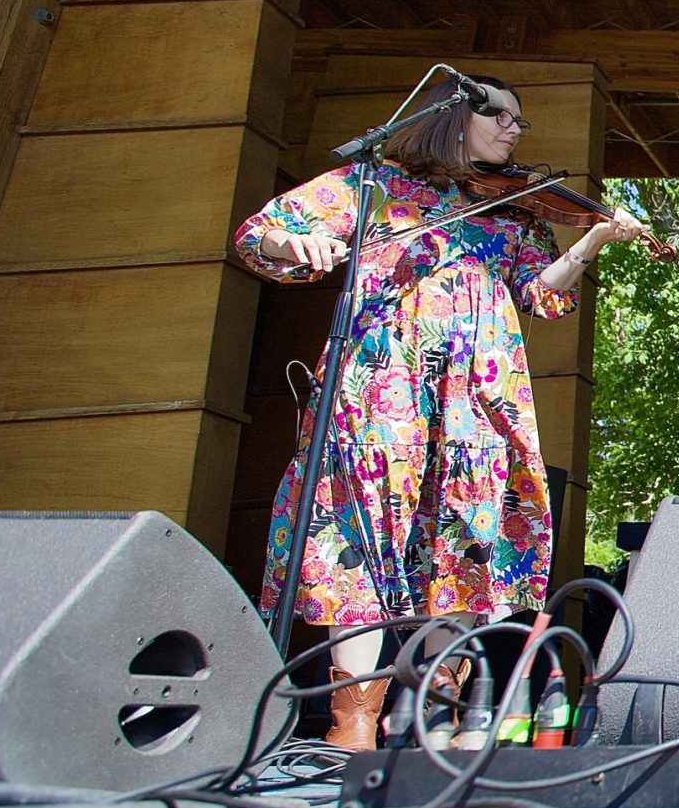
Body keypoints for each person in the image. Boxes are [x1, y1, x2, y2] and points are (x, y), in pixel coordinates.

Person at [231, 73, 651, 750]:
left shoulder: (513, 210)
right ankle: (354, 722)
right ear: (450, 115)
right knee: (360, 542)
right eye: (502, 116)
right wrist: (297, 244)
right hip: (381, 390)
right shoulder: (373, 185)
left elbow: (543, 297)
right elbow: (261, 235)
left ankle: (431, 712)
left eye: (521, 121)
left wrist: (593, 240)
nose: (516, 130)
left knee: (464, 543)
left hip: (476, 404)